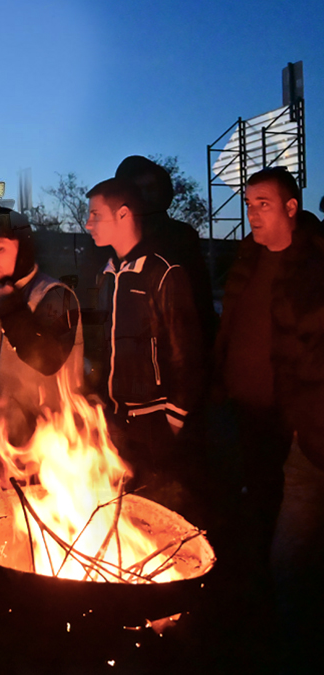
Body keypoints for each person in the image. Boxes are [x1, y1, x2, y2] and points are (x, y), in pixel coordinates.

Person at [213, 167, 324, 671]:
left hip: (298, 428)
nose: (252, 212)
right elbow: (232, 332)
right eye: (249, 203)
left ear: (290, 208)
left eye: (262, 203)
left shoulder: (313, 266)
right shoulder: (248, 259)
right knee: (253, 527)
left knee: (293, 547)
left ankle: (293, 641)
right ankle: (255, 628)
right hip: (248, 421)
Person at [84, 178, 204, 510]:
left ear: (123, 215)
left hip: (153, 426)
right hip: (115, 423)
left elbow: (186, 353)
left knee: (155, 514)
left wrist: (173, 420)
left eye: (95, 215)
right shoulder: (107, 275)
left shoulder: (162, 273)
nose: (87, 224)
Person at [0, 205, 83, 469]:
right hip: (1, 449)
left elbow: (47, 360)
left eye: (0, 249)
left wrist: (12, 310)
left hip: (48, 449)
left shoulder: (55, 295)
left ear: (23, 248)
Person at [115, 156, 217, 345]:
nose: (144, 197)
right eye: (137, 190)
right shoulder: (109, 241)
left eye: (150, 189)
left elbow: (200, 302)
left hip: (172, 348)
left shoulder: (181, 237)